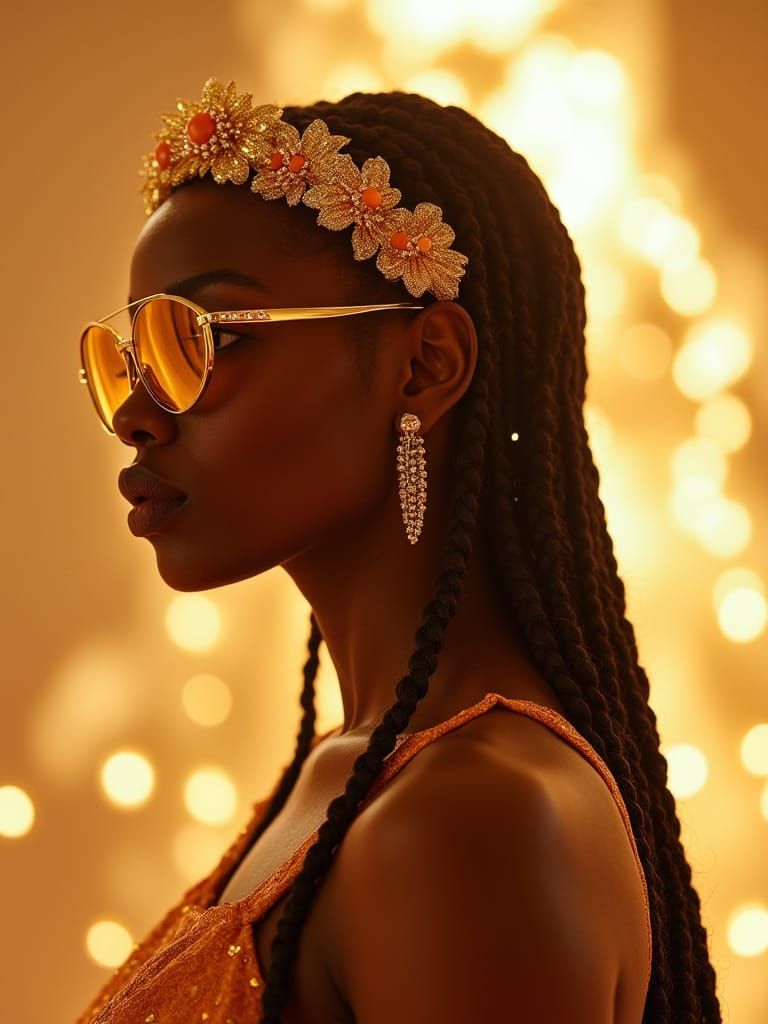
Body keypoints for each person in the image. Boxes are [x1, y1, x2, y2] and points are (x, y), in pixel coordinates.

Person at [75, 79, 721, 1023]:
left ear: (426, 366)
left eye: (201, 340)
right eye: (127, 358)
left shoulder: (470, 822)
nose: (135, 414)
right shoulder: (352, 777)